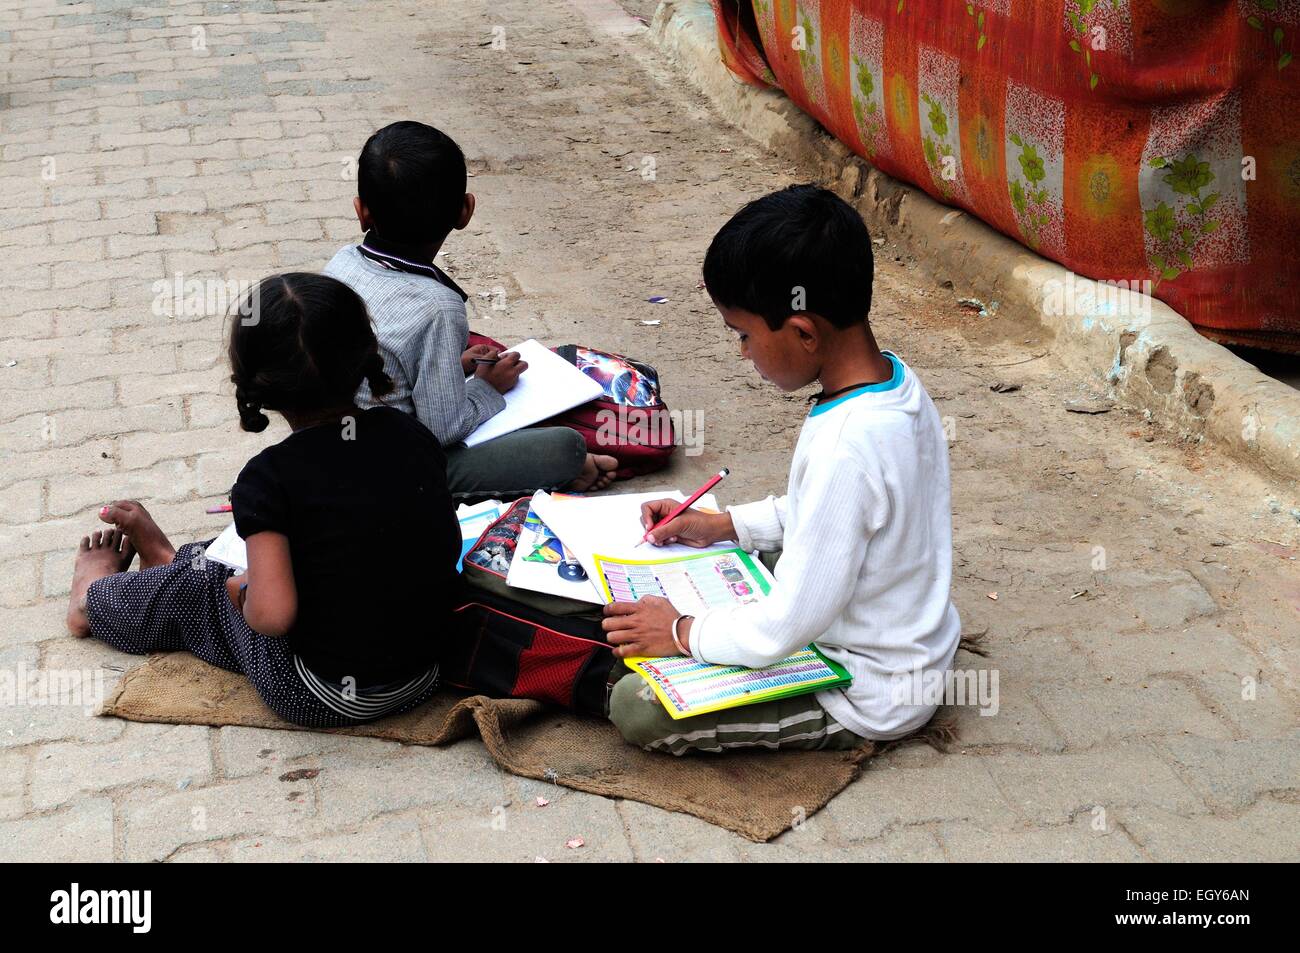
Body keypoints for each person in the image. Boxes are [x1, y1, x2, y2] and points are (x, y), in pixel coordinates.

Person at [602, 185, 962, 754]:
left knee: (637, 708)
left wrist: (679, 632)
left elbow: (784, 626)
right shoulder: (892, 380)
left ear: (802, 332)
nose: (743, 352)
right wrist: (722, 527)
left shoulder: (847, 443)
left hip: (870, 691)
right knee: (728, 564)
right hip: (893, 627)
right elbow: (841, 513)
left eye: (744, 335)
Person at [67, 274, 461, 728]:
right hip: (427, 670)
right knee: (227, 554)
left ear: (255, 382)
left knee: (213, 586)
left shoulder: (269, 478)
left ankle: (93, 604)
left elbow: (272, 617)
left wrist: (244, 591)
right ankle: (171, 562)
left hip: (320, 693)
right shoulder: (410, 433)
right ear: (366, 353)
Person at [323, 120, 617, 499]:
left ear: (361, 211)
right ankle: (566, 471)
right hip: (387, 471)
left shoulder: (342, 262)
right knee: (566, 447)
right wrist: (486, 387)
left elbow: (380, 358)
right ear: (465, 211)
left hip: (327, 445)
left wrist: (452, 364)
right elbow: (443, 429)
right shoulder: (438, 306)